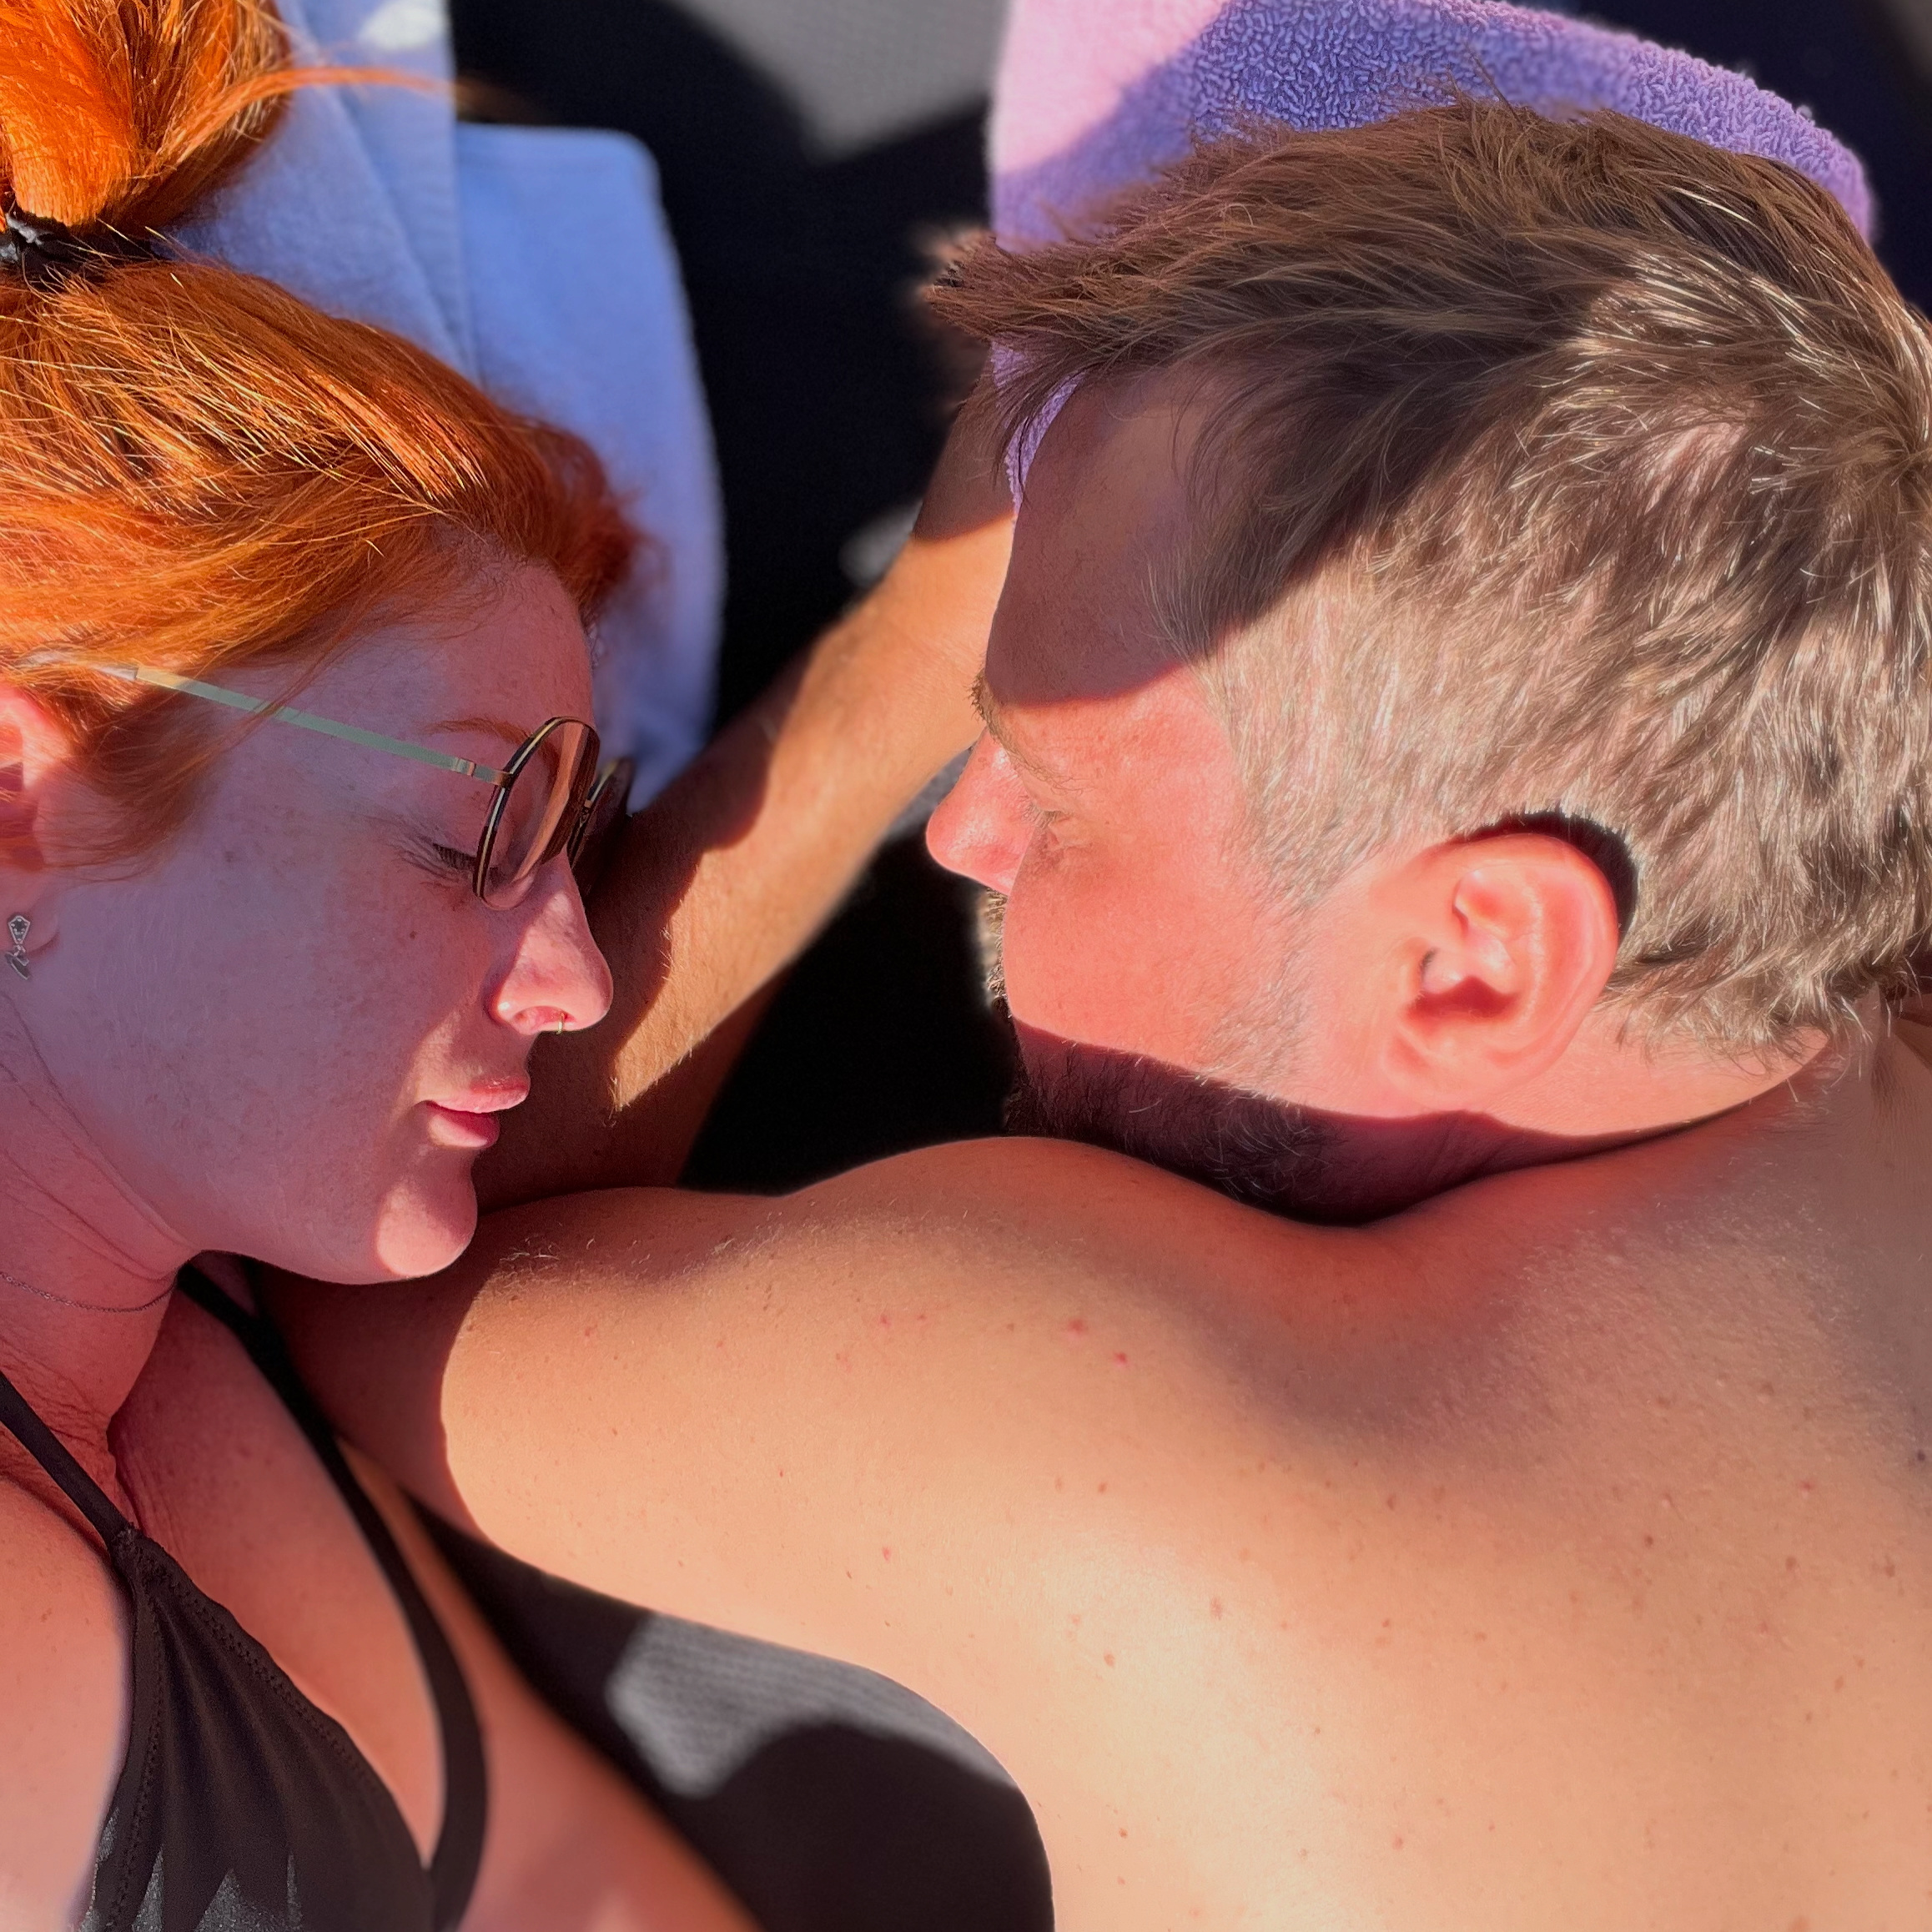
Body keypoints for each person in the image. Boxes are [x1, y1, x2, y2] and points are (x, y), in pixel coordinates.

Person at [281, 98, 1932, 1931]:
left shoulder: (1172, 1444)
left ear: (1477, 961)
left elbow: (374, 1260)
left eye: (1053, 795)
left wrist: (898, 667)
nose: (966, 837)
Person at [0, 1, 1012, 1924]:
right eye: (477, 831)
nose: (576, 976)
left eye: (566, 848)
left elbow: (561, 1877)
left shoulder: (187, 1348)